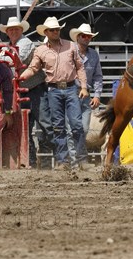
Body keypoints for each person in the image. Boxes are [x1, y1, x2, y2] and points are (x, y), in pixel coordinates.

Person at [19, 17, 90, 171]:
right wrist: (22, 76)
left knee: (76, 125)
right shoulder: (41, 50)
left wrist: (83, 87)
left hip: (71, 88)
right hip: (53, 89)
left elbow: (80, 67)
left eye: (57, 29)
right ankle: (63, 161)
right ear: (46, 32)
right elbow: (33, 67)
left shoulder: (71, 46)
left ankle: (82, 160)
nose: (55, 31)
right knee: (58, 127)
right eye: (52, 30)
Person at [0, 16, 52, 167]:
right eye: (11, 29)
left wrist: (1, 59)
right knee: (24, 127)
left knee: (44, 123)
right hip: (21, 90)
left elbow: (16, 61)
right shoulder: (6, 47)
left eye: (16, 29)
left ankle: (47, 160)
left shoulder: (26, 43)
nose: (14, 31)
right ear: (7, 32)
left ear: (21, 30)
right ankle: (30, 160)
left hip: (35, 89)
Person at [68, 23, 103, 156]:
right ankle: (75, 159)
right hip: (70, 92)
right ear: (78, 37)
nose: (87, 38)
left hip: (86, 95)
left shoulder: (94, 55)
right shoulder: (70, 53)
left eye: (89, 36)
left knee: (84, 128)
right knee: (72, 128)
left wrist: (97, 95)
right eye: (84, 36)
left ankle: (78, 157)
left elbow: (98, 76)